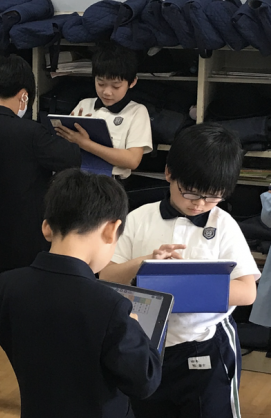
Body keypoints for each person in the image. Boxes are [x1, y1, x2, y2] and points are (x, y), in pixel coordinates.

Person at [0, 55, 82, 406]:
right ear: (24, 96)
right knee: (35, 317)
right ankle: (40, 393)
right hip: (28, 242)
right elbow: (71, 161)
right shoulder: (33, 133)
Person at [100, 123, 260, 418]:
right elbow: (107, 276)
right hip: (147, 345)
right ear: (169, 173)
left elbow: (247, 292)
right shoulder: (139, 218)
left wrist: (183, 288)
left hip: (206, 345)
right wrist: (145, 263)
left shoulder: (222, 224)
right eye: (191, 193)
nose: (200, 204)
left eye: (213, 197)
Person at [0, 169, 162, 418]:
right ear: (111, 229)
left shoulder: (6, 285)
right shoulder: (110, 306)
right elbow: (145, 381)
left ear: (47, 227)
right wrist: (135, 329)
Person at [55, 42, 152, 179]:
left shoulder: (137, 111)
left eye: (116, 86)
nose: (106, 92)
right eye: (100, 83)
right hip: (76, 178)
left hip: (110, 183)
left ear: (132, 82)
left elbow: (132, 160)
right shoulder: (84, 104)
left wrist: (86, 144)